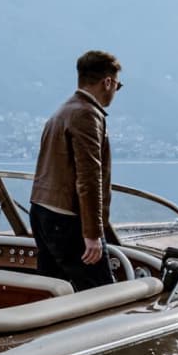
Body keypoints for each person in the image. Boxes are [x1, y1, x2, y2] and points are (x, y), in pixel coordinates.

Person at [30, 51, 122, 291]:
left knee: (51, 289)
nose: (115, 92)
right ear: (108, 82)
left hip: (41, 212)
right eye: (117, 85)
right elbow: (89, 178)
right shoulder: (87, 114)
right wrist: (92, 235)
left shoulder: (63, 110)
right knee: (101, 293)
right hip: (67, 219)